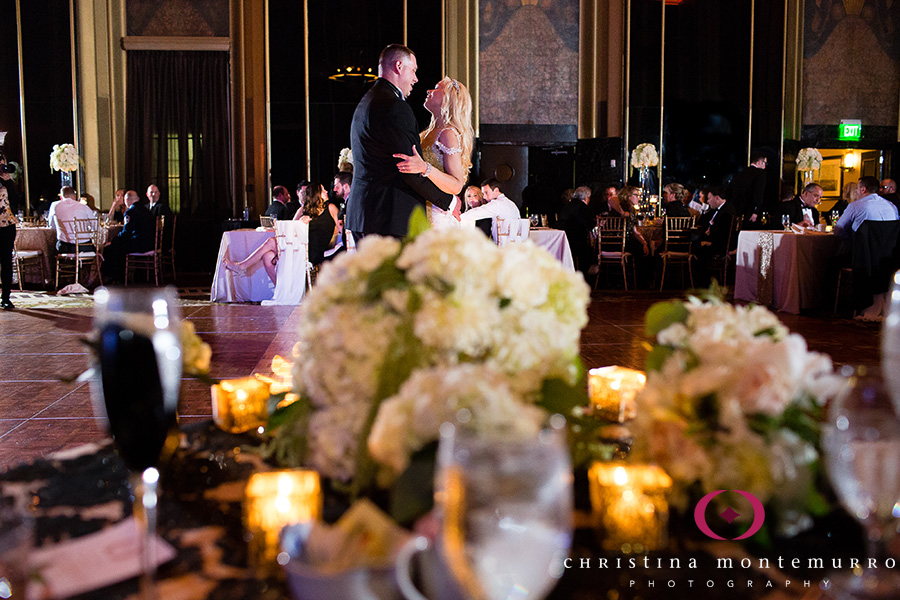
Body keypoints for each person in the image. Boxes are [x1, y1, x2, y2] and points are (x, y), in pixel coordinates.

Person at [344, 44, 454, 239]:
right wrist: (448, 202)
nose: (415, 79)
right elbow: (408, 168)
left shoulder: (368, 100)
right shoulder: (394, 106)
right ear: (399, 66)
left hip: (365, 215)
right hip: (388, 219)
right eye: (413, 71)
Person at [393, 76, 474, 229]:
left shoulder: (448, 134)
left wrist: (425, 168)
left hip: (436, 215)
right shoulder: (427, 133)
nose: (429, 91)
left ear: (449, 98)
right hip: (420, 207)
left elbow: (456, 185)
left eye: (436, 88)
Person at [226, 183, 329, 285]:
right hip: (297, 244)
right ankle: (281, 292)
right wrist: (300, 223)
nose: (327, 191)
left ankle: (242, 266)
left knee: (271, 241)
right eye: (323, 190)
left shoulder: (328, 209)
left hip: (308, 249)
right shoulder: (302, 210)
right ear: (317, 194)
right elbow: (290, 229)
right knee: (267, 256)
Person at [101, 190, 156, 283]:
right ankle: (122, 276)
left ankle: (116, 277)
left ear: (126, 200)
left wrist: (113, 241)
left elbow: (126, 233)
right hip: (150, 243)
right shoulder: (147, 210)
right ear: (137, 199)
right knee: (119, 248)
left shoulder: (130, 212)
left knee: (109, 249)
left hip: (138, 244)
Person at [691, 186, 736, 287]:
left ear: (717, 198)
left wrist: (709, 239)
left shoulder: (727, 212)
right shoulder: (722, 209)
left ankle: (701, 284)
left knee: (696, 249)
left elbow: (723, 234)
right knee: (696, 245)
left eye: (710, 198)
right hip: (718, 242)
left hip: (721, 246)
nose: (708, 201)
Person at [834, 176, 899, 239]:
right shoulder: (892, 206)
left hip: (861, 248)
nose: (855, 191)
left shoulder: (855, 206)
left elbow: (838, 231)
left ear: (863, 190)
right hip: (888, 248)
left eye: (857, 188)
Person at [557, 185, 595, 281]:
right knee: (589, 251)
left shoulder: (568, 205)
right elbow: (589, 223)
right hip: (575, 240)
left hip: (564, 239)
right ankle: (585, 278)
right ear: (587, 198)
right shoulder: (582, 207)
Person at [47, 186, 96, 253]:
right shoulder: (84, 207)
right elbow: (96, 227)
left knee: (56, 246)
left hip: (64, 247)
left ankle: (62, 263)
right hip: (84, 247)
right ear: (74, 196)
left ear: (61, 197)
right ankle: (90, 263)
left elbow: (52, 226)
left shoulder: (55, 207)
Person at [726, 150, 768, 225]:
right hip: (750, 211)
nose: (765, 166)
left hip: (736, 210)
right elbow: (759, 193)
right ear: (759, 162)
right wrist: (755, 211)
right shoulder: (761, 174)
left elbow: (730, 190)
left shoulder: (740, 173)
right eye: (765, 163)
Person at [0, 153, 19, 310]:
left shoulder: (7, 182)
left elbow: (16, 203)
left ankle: (6, 297)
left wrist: (9, 183)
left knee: (6, 261)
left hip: (7, 225)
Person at [147, 184, 175, 252]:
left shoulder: (162, 207)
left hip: (158, 240)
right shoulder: (145, 207)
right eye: (151, 192)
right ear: (147, 194)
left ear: (159, 194)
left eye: (156, 192)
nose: (154, 194)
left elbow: (161, 226)